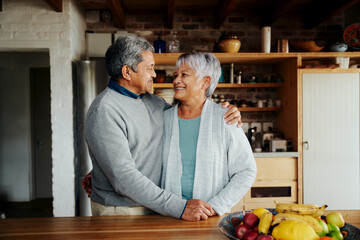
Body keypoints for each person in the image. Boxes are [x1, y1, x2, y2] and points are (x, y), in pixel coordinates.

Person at [83, 35, 242, 221]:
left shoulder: (154, 103)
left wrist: (231, 112)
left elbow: (190, 112)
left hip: (154, 206)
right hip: (121, 210)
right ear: (127, 72)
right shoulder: (104, 109)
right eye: (149, 67)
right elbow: (122, 178)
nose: (153, 73)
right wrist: (180, 207)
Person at [161, 52, 257, 216]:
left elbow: (246, 170)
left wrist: (215, 206)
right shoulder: (163, 118)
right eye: (176, 74)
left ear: (205, 82)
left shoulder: (225, 117)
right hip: (170, 213)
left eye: (184, 75)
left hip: (209, 217)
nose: (176, 80)